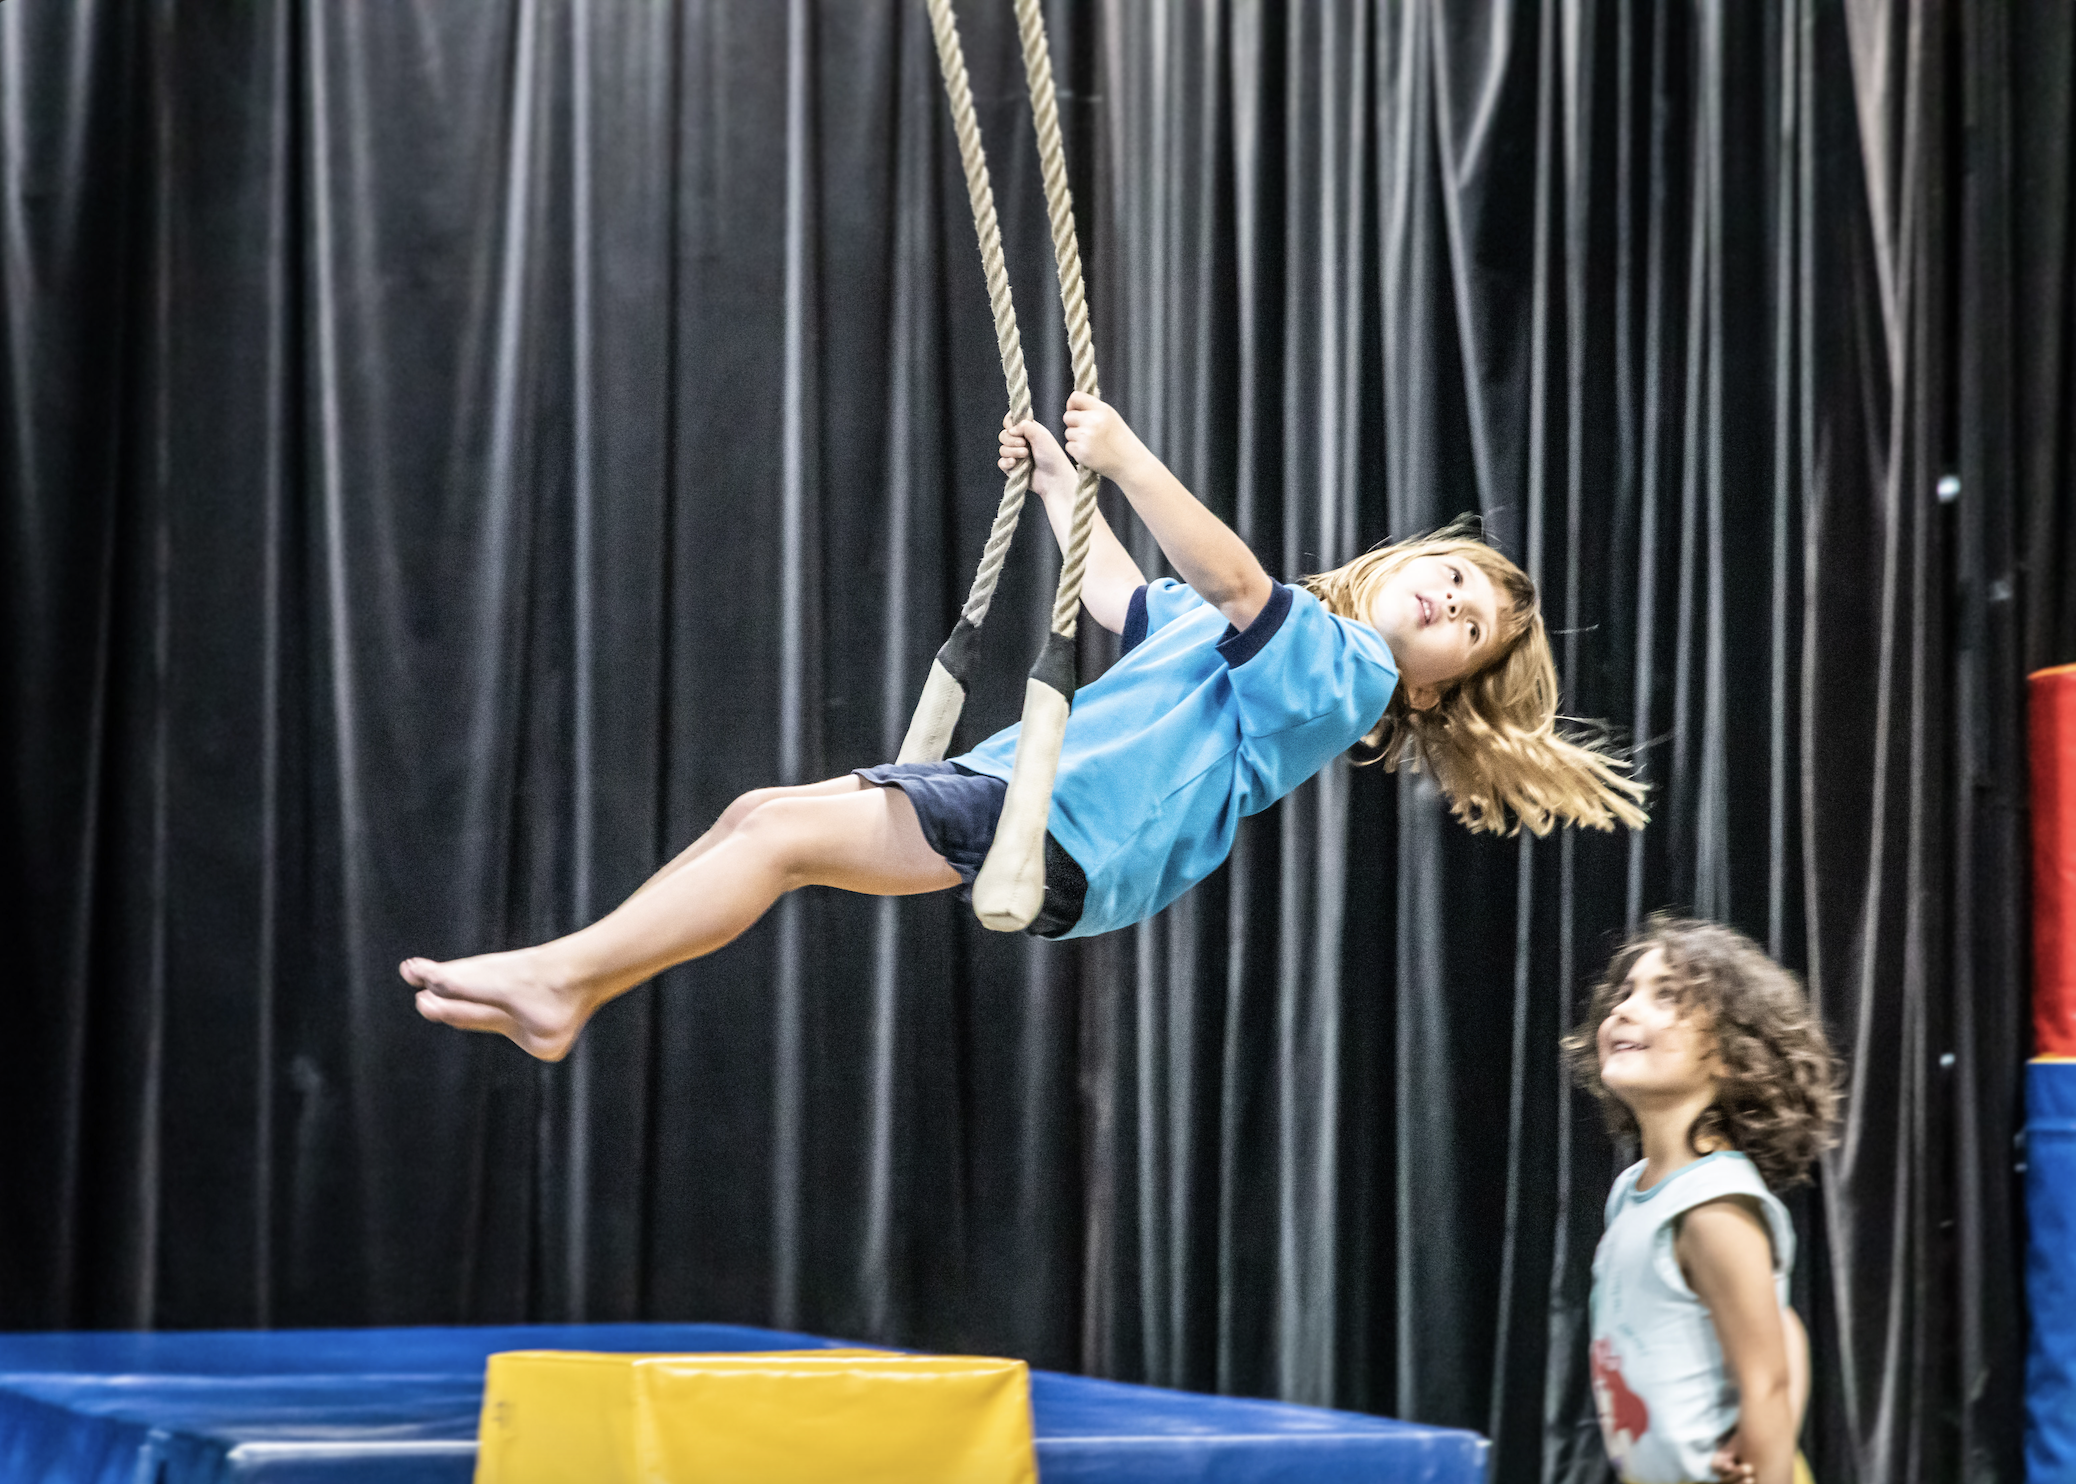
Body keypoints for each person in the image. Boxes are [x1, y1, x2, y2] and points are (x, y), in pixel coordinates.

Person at [403, 392, 1645, 1059]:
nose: (1452, 598)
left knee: (776, 839)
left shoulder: (1347, 673)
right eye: (1457, 576)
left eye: (1469, 623)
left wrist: (1131, 454)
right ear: (1403, 559)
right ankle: (578, 989)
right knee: (760, 819)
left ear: (1433, 686)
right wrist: (1063, 477)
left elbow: (1232, 581)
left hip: (1061, 827)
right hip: (1038, 810)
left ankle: (563, 977)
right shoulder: (1259, 643)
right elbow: (1120, 593)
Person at [1564, 917, 1841, 1484]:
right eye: (1625, 992)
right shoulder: (1635, 1193)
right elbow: (1783, 1327)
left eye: (1666, 996)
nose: (1624, 1009)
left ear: (1729, 1055)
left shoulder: (1713, 1205)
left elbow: (1766, 1377)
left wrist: (1769, 1436)